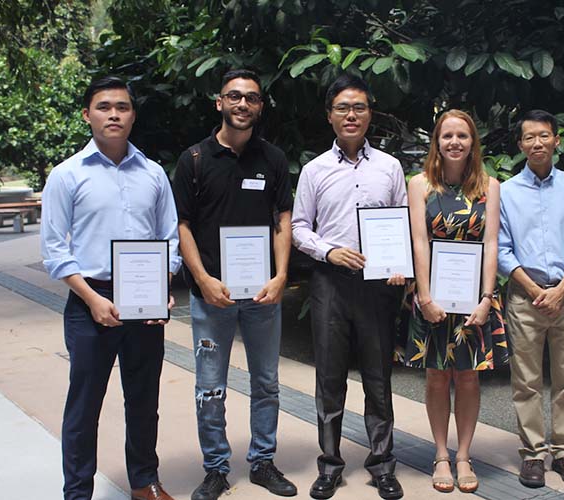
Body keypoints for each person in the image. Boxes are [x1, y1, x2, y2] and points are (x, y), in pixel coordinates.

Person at [41, 76, 181, 500]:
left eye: (122, 107)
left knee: (143, 400)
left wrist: (162, 286)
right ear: (88, 115)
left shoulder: (154, 174)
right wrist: (93, 299)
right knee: (84, 406)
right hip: (90, 301)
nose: (114, 114)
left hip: (144, 301)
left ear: (133, 116)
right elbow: (53, 249)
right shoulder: (67, 175)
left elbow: (170, 238)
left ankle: (144, 481)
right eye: (104, 107)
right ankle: (78, 491)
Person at [171, 69, 297, 499]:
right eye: (234, 97)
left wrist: (281, 276)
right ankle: (216, 469)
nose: (243, 104)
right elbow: (182, 225)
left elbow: (283, 219)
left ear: (260, 106)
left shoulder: (273, 160)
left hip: (263, 293)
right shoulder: (194, 160)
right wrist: (202, 280)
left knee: (267, 383)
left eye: (252, 98)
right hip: (213, 296)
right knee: (210, 387)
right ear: (219, 103)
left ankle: (263, 461)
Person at [291, 74, 406, 500]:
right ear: (330, 116)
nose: (351, 115)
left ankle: (382, 464)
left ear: (369, 114)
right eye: (343, 107)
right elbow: (300, 227)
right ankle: (330, 465)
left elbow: (401, 222)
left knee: (378, 378)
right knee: (330, 378)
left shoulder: (389, 167)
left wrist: (399, 266)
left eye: (358, 107)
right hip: (329, 285)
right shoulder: (314, 170)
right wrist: (328, 252)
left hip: (377, 287)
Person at [403, 109, 510, 493]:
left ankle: (463, 455)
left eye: (462, 136)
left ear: (472, 142)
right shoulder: (419, 185)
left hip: (474, 298)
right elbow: (418, 241)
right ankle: (441, 455)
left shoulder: (490, 186)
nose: (454, 142)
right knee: (435, 377)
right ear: (436, 141)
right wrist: (425, 295)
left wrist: (487, 298)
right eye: (446, 135)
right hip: (432, 297)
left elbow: (491, 242)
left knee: (467, 378)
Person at [498, 109, 564, 489]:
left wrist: (562, 289)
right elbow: (502, 249)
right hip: (525, 296)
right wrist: (538, 291)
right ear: (520, 145)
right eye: (529, 138)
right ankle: (534, 454)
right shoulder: (505, 192)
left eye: (544, 136)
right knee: (526, 380)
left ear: (556, 140)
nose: (537, 143)